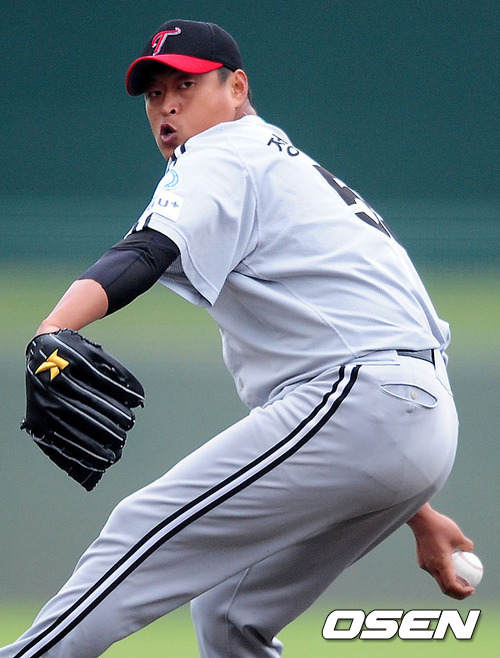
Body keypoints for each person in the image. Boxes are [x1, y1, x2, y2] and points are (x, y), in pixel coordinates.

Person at [2, 19, 475, 658]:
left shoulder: (221, 152)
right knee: (230, 613)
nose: (167, 107)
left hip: (361, 400)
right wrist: (416, 507)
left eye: (186, 86)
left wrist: (55, 326)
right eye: (154, 93)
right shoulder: (278, 164)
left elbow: (146, 251)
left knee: (142, 527)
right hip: (410, 418)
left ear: (237, 88)